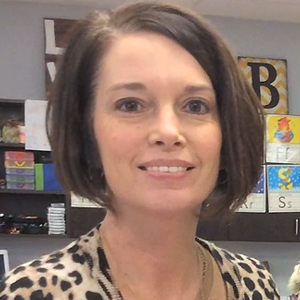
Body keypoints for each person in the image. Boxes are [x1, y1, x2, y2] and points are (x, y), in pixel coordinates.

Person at [0, 2, 280, 300]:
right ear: (88, 135)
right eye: (130, 105)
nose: (168, 132)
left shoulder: (256, 283)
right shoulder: (34, 292)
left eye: (195, 105)